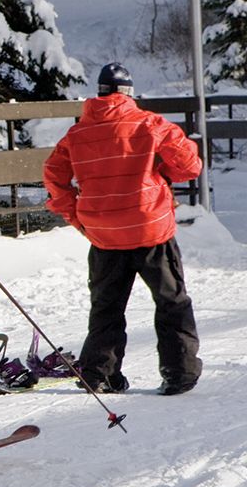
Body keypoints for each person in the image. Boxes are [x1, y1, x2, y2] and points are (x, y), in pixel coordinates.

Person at [42, 62, 203, 395]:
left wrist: (79, 217)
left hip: (104, 235)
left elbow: (54, 177)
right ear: (129, 93)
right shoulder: (151, 125)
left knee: (107, 306)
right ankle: (179, 372)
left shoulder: (76, 135)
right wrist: (161, 169)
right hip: (151, 229)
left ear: (99, 93)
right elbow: (190, 166)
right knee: (171, 301)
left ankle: (99, 373)